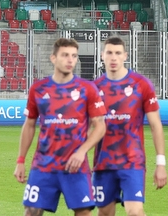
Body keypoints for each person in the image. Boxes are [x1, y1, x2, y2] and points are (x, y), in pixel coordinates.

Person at [14, 38, 106, 216]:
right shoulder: (39, 89)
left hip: (75, 166)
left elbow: (100, 126)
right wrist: (20, 160)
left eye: (74, 56)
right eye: (65, 55)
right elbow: (30, 124)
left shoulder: (87, 89)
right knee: (31, 211)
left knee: (84, 212)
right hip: (43, 165)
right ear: (53, 58)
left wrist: (82, 151)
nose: (70, 60)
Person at [93, 36, 167, 215]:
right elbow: (87, 128)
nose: (113, 57)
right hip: (103, 164)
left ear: (125, 55)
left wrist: (161, 163)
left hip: (132, 162)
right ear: (102, 55)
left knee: (135, 211)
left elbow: (156, 125)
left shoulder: (141, 85)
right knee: (104, 213)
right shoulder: (94, 88)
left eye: (118, 53)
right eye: (109, 53)